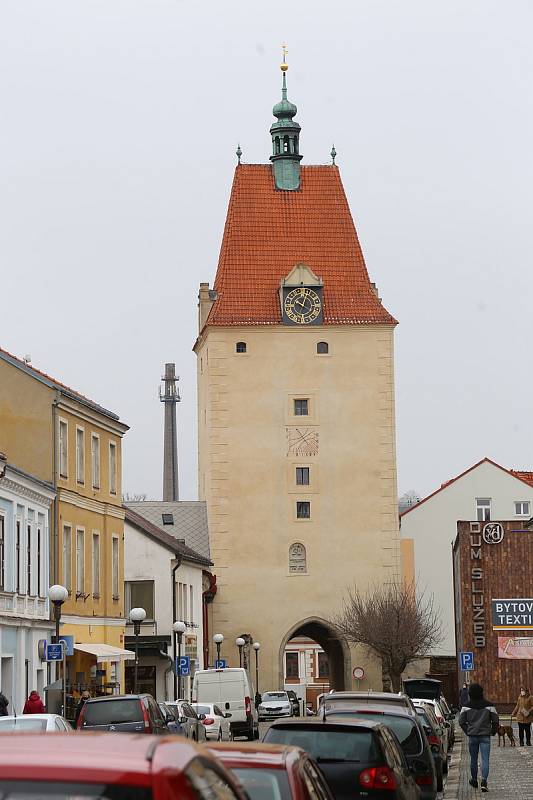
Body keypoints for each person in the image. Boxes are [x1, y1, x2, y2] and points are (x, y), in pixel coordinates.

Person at [459, 682, 499, 793]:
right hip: (485, 736)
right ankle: (484, 781)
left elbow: (461, 721)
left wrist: (468, 731)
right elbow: (495, 720)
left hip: (472, 736)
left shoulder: (466, 706)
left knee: (473, 759)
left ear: (470, 693)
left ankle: (474, 780)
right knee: (485, 759)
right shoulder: (490, 705)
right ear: (482, 693)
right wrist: (493, 732)